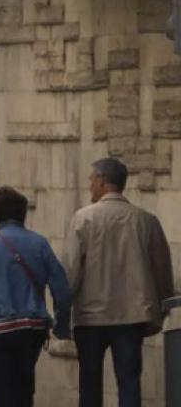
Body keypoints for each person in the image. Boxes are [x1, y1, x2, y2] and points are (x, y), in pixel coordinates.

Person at [65, 158, 175, 407]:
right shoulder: (145, 220)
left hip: (90, 318)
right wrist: (164, 303)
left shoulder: (82, 219)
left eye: (92, 179)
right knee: (129, 384)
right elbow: (162, 267)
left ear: (103, 181)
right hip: (130, 317)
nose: (90, 185)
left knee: (89, 386)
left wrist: (63, 309)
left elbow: (71, 270)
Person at [0, 186, 72, 407]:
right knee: (23, 392)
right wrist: (61, 327)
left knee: (0, 395)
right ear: (23, 213)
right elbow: (62, 291)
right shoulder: (39, 243)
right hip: (31, 331)